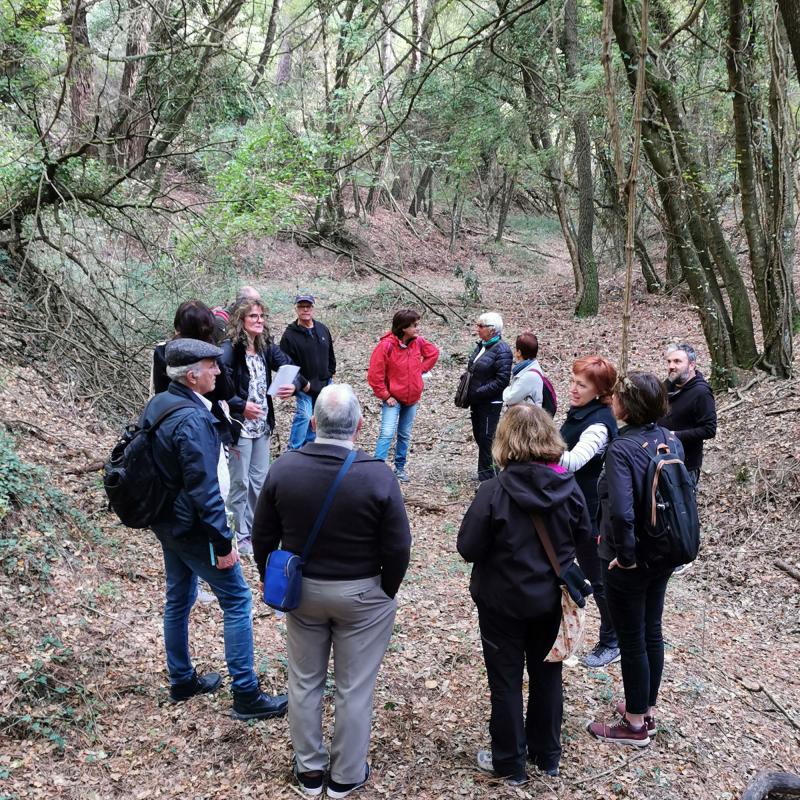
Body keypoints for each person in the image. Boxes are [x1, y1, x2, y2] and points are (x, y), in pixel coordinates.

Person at [252, 384, 411, 798]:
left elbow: (262, 536)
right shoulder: (377, 474)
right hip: (362, 594)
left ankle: (308, 771)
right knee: (354, 686)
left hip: (304, 592)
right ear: (360, 425)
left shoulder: (284, 468)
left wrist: (277, 582)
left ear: (313, 421)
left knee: (304, 681)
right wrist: (384, 590)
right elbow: (398, 545)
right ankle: (345, 775)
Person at [146, 338, 288, 719]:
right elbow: (203, 489)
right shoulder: (192, 419)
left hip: (167, 521)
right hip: (192, 526)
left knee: (178, 596)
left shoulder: (161, 401)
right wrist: (223, 541)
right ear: (192, 376)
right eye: (211, 366)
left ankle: (181, 678)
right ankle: (246, 693)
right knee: (238, 599)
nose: (219, 370)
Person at [457, 405, 592, 783]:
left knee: (505, 681)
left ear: (506, 439)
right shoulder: (569, 486)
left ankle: (510, 764)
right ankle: (546, 756)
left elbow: (468, 547)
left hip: (501, 602)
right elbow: (585, 538)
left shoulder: (493, 491)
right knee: (548, 676)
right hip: (551, 600)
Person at [587, 372, 682, 747]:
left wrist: (624, 557)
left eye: (617, 396)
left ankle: (635, 724)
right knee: (651, 629)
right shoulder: (669, 439)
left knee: (632, 638)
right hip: (663, 551)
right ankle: (647, 709)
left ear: (628, 405)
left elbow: (622, 513)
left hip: (630, 559)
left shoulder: (622, 449)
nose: (612, 400)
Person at [221, 299, 308, 555]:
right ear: (241, 321)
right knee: (239, 482)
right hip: (240, 426)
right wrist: (240, 406)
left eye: (261, 316)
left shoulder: (265, 346)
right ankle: (236, 535)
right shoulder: (230, 349)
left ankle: (254, 531)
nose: (259, 320)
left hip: (262, 425)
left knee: (259, 481)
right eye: (253, 317)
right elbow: (219, 387)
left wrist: (295, 386)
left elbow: (290, 367)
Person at [559, 356, 619, 668]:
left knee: (597, 578)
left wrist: (534, 443)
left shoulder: (598, 424)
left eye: (581, 385)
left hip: (590, 514)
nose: (573, 388)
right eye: (573, 381)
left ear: (598, 390)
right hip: (570, 507)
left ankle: (612, 639)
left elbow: (571, 462)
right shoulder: (581, 412)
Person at [367, 309, 439, 482]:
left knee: (404, 434)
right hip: (393, 398)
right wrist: (385, 395)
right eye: (414, 325)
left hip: (412, 398)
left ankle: (399, 468)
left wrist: (420, 370)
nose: (417, 328)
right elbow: (374, 375)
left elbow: (433, 353)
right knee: (387, 432)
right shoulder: (386, 346)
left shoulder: (418, 342)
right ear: (403, 327)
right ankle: (377, 469)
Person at [280, 293, 337, 451]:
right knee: (304, 416)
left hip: (324, 383)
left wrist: (330, 371)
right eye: (301, 306)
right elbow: (286, 365)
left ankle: (309, 449)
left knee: (316, 419)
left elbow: (330, 353)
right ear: (296, 308)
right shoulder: (289, 335)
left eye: (308, 306)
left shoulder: (322, 329)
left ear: (313, 308)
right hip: (304, 385)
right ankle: (293, 450)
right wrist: (301, 383)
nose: (305, 309)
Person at [658, 343, 717, 488]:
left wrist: (674, 435)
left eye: (677, 361)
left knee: (683, 508)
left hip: (685, 465)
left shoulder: (701, 392)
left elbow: (709, 429)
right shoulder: (666, 386)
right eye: (669, 361)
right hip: (661, 460)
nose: (671, 366)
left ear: (691, 365)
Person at [465, 312, 512, 481]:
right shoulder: (482, 346)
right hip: (477, 403)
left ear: (492, 330)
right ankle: (484, 472)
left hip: (490, 403)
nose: (477, 329)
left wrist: (479, 392)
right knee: (480, 437)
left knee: (487, 438)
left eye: (481, 326)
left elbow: (502, 380)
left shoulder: (502, 350)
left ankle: (490, 477)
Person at [502, 332, 546, 408]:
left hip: (527, 417)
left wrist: (504, 391)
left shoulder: (529, 376)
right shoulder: (532, 367)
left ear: (519, 352)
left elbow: (509, 398)